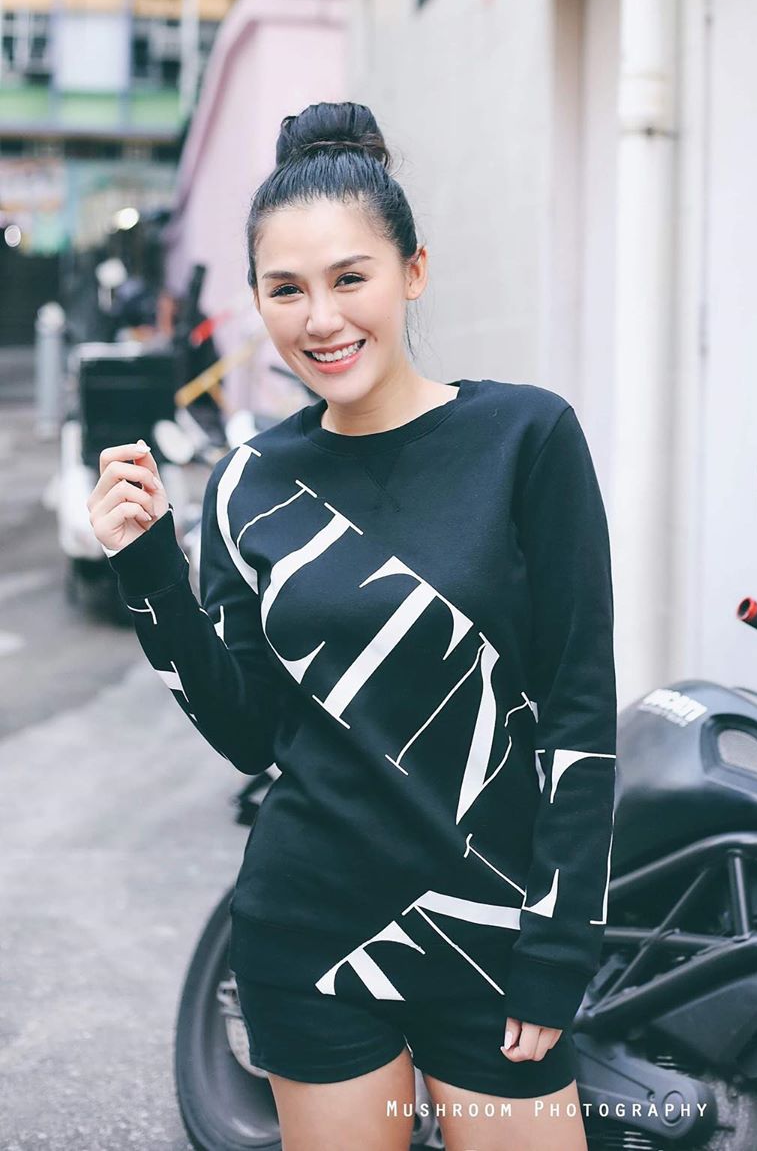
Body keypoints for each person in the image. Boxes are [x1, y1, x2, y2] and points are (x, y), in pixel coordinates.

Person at [86, 101, 618, 1151]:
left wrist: (560, 948)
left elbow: (578, 711)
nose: (321, 319)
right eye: (287, 289)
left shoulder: (526, 438)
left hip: (494, 933)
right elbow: (248, 734)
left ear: (412, 271)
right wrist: (148, 572)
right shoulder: (250, 483)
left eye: (349, 278)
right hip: (310, 934)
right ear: (257, 302)